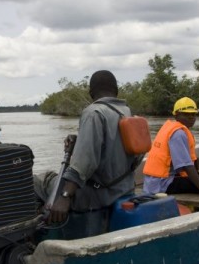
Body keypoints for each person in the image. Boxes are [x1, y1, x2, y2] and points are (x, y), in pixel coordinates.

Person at [34, 70, 141, 239]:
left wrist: (65, 196)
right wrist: (80, 140)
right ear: (116, 90)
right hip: (124, 190)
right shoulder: (128, 112)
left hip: (97, 196)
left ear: (91, 93)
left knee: (39, 181)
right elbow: (135, 154)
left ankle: (41, 233)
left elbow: (83, 164)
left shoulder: (94, 113)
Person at [142, 97, 199, 196]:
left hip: (154, 182)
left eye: (193, 114)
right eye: (186, 114)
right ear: (176, 115)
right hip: (163, 184)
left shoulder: (171, 128)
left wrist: (196, 159)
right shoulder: (178, 133)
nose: (191, 117)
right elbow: (186, 166)